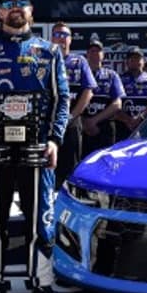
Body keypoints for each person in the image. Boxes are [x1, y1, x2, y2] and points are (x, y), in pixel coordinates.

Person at [0, 0, 68, 293]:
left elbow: (61, 98)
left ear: (30, 9)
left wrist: (54, 139)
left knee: (41, 220)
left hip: (37, 151)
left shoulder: (49, 52)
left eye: (21, 2)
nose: (15, 7)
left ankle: (42, 282)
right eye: (8, 3)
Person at [50, 21, 96, 188]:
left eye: (64, 35)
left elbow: (88, 91)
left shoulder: (79, 61)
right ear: (51, 38)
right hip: (48, 122)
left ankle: (68, 203)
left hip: (71, 122)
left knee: (71, 165)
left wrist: (71, 116)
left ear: (70, 39)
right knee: (47, 164)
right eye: (57, 35)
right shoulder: (44, 59)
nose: (60, 39)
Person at [82, 39, 126, 155]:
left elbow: (117, 103)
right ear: (87, 54)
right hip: (82, 126)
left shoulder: (111, 75)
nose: (95, 53)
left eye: (98, 51)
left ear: (103, 55)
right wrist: (85, 123)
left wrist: (94, 121)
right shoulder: (79, 74)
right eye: (92, 51)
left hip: (105, 126)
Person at [115, 47, 147, 141]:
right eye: (132, 58)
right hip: (123, 127)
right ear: (127, 62)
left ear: (143, 61)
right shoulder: (119, 79)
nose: (135, 61)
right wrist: (128, 120)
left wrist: (141, 117)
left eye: (138, 58)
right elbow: (114, 104)